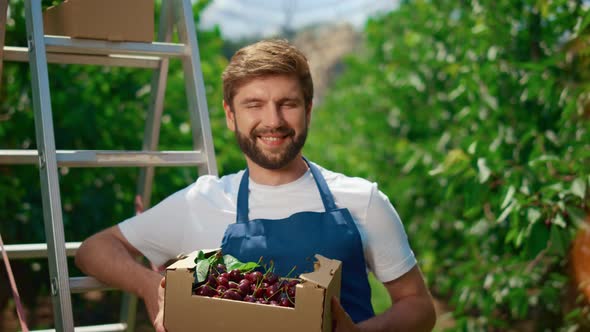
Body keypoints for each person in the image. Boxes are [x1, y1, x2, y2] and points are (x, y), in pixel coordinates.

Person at [75, 39, 436, 332]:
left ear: (308, 110)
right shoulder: (202, 200)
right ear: (231, 116)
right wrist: (151, 289)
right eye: (254, 105)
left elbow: (418, 306)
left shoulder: (362, 199)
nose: (273, 121)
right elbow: (94, 249)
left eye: (287, 104)